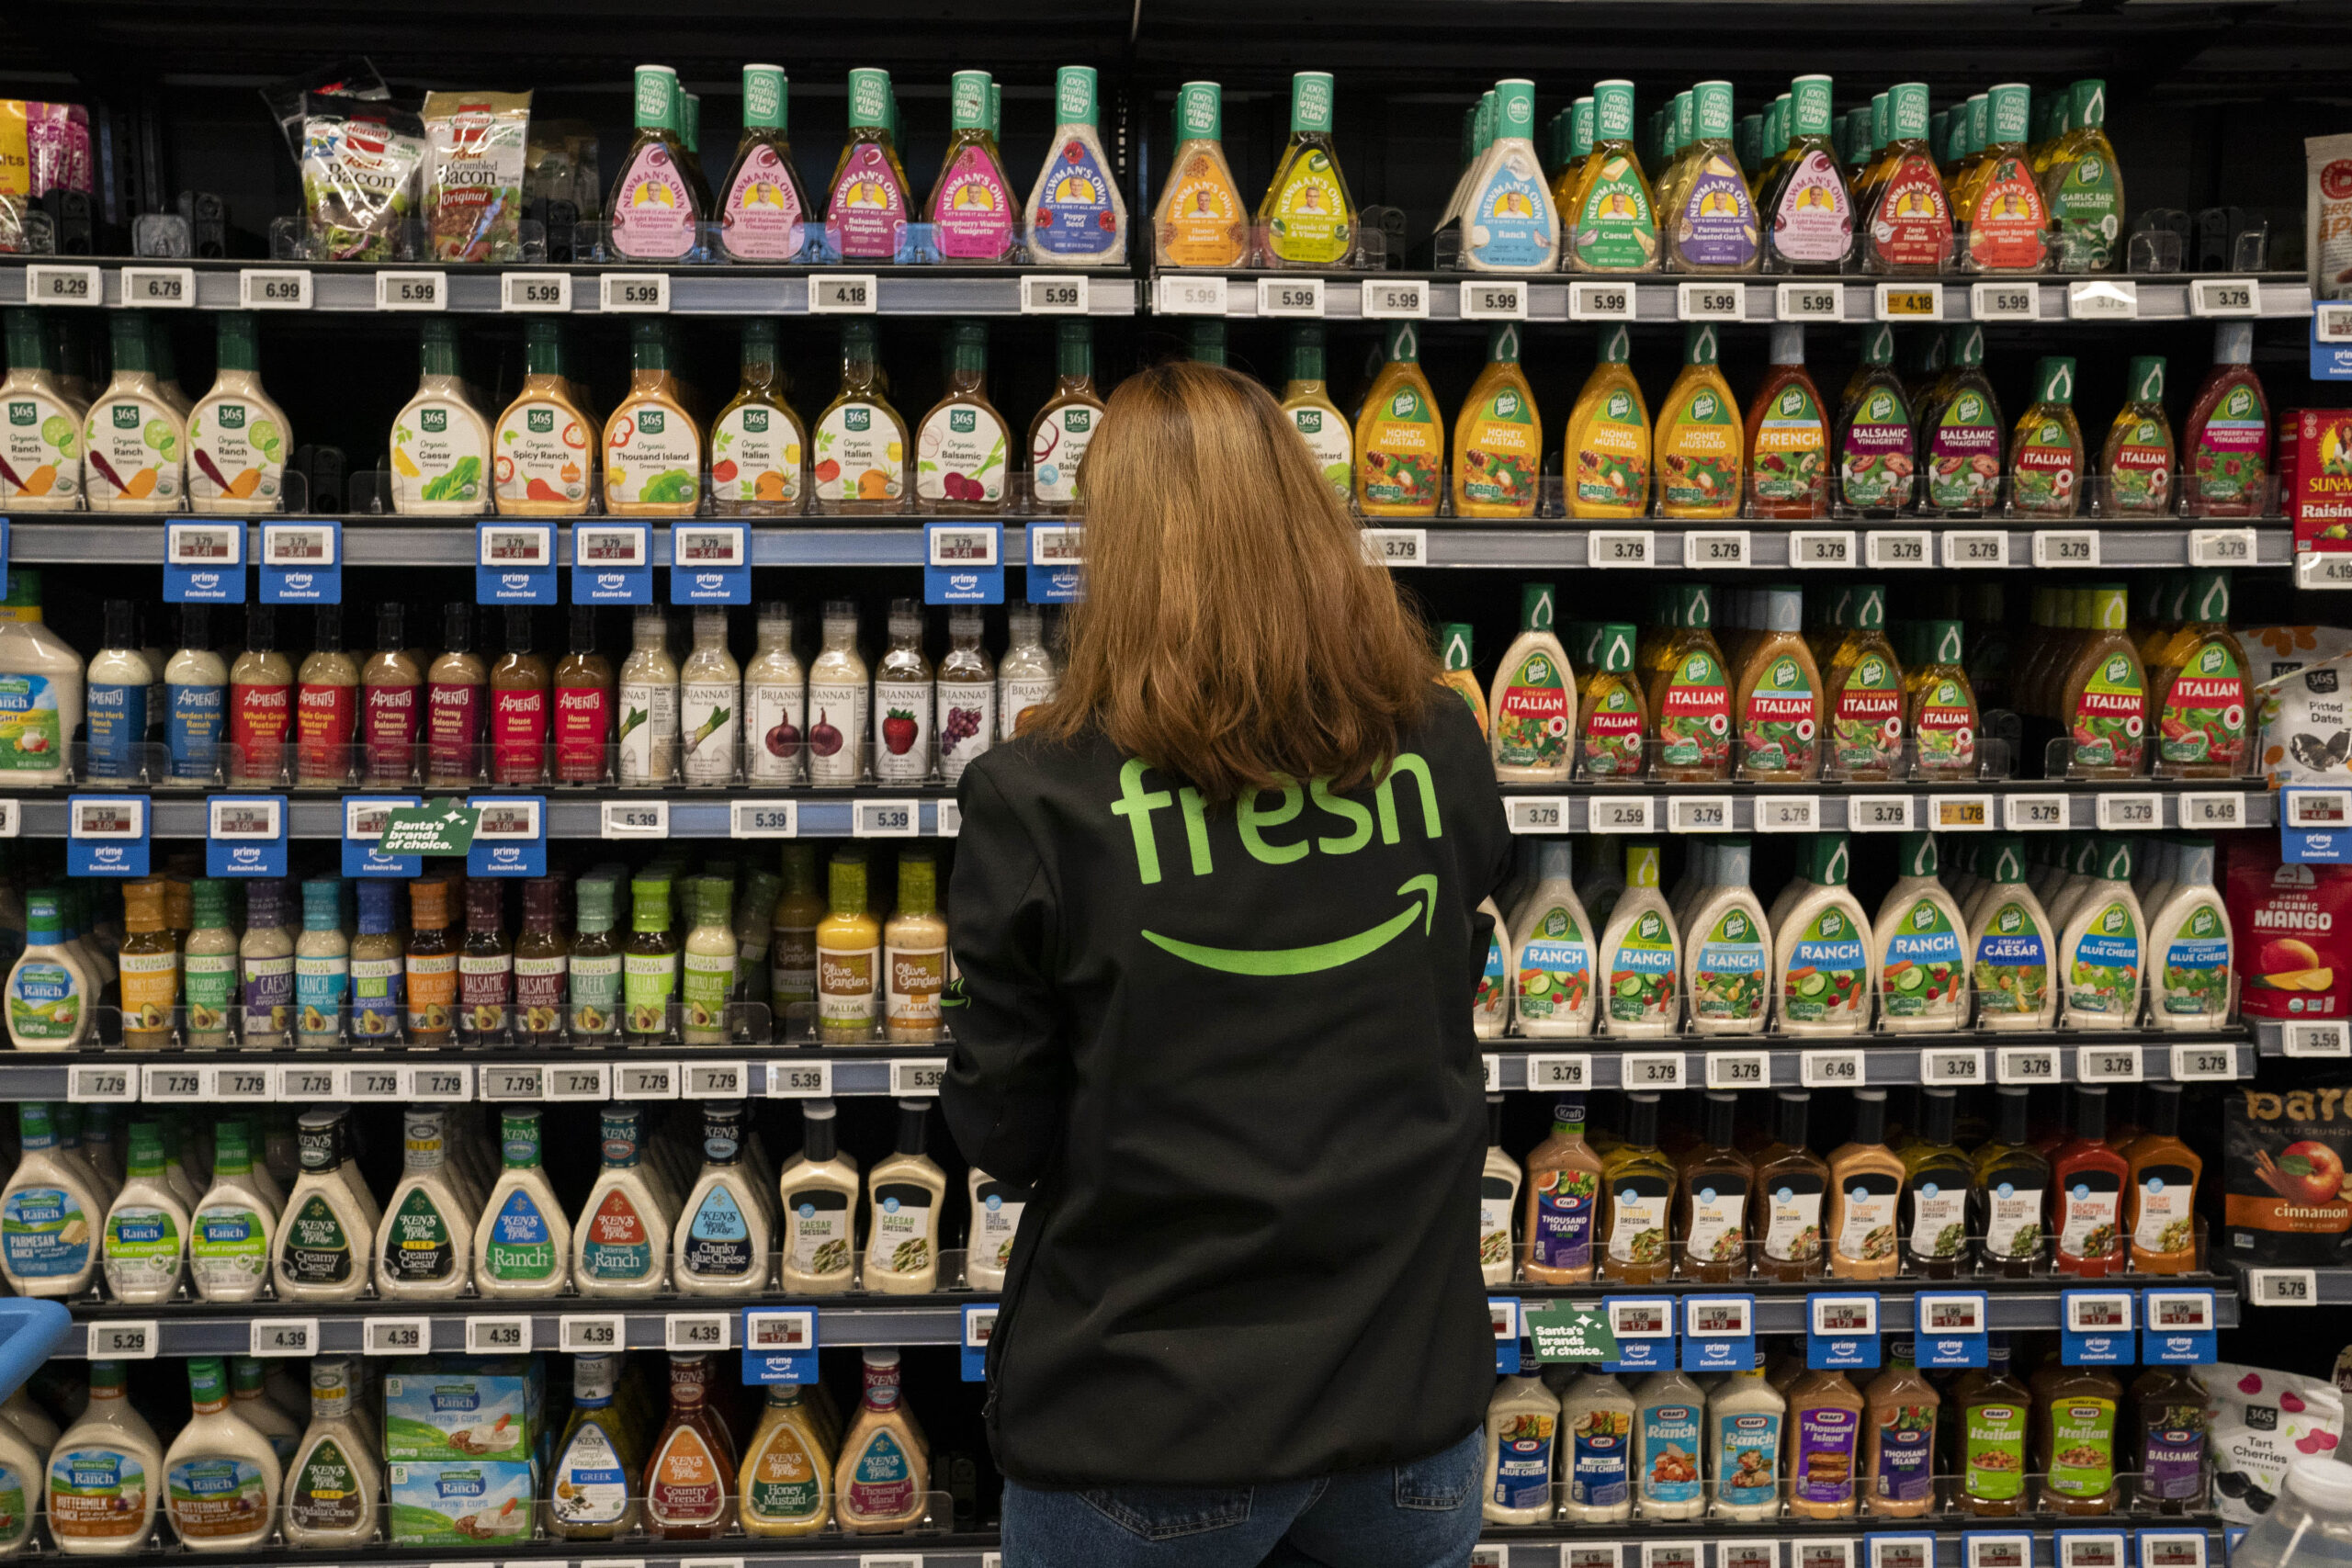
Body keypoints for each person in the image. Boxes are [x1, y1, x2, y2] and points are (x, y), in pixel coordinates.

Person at [942, 357, 1510, 1568]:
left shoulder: (1039, 797)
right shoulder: (1441, 748)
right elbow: (1436, 1009)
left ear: (1115, 556)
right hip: (1405, 1412)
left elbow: (1003, 1130)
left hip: (1149, 1420)